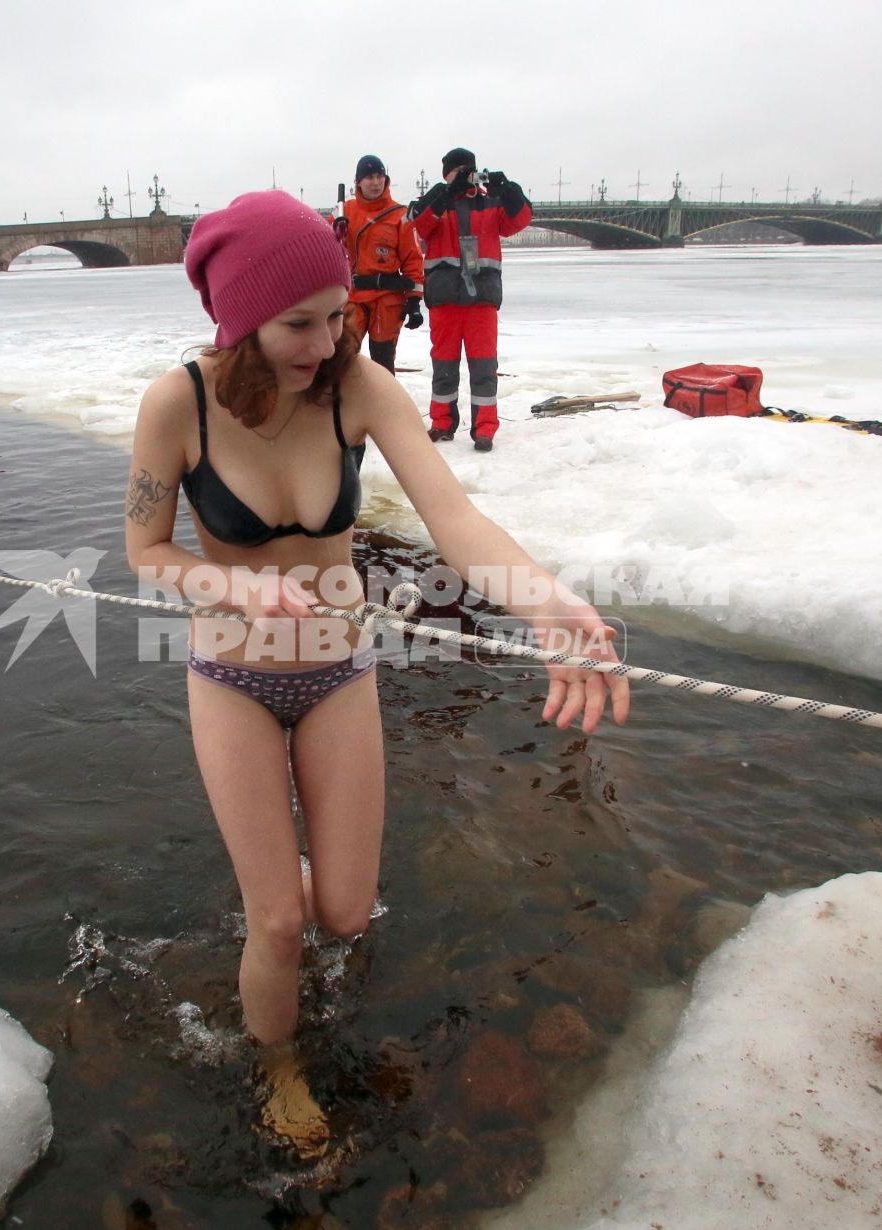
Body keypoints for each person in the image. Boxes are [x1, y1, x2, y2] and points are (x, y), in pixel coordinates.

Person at [123, 190, 629, 1156]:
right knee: (277, 924)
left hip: (338, 674)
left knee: (346, 913)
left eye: (338, 311)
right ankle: (279, 1069)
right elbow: (145, 551)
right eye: (298, 324)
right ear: (237, 322)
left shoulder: (356, 386)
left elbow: (457, 521)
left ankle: (292, 871)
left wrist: (547, 602)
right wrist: (231, 591)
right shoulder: (175, 405)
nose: (327, 340)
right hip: (231, 679)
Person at [408, 148, 533, 451]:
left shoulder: (491, 201)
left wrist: (510, 190)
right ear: (447, 174)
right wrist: (448, 192)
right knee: (444, 365)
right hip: (445, 300)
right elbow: (419, 223)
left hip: (482, 301)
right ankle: (442, 422)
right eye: (458, 171)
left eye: (469, 170)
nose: (464, 175)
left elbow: (522, 219)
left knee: (483, 367)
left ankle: (485, 428)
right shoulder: (438, 199)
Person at [335, 154, 424, 373]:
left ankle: (384, 404)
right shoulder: (345, 212)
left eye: (379, 176)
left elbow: (413, 259)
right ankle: (343, 405)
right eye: (369, 177)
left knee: (383, 362)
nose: (375, 182)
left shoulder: (400, 216)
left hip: (387, 299)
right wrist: (333, 231)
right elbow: (325, 249)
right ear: (358, 182)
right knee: (340, 358)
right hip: (354, 297)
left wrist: (414, 301)